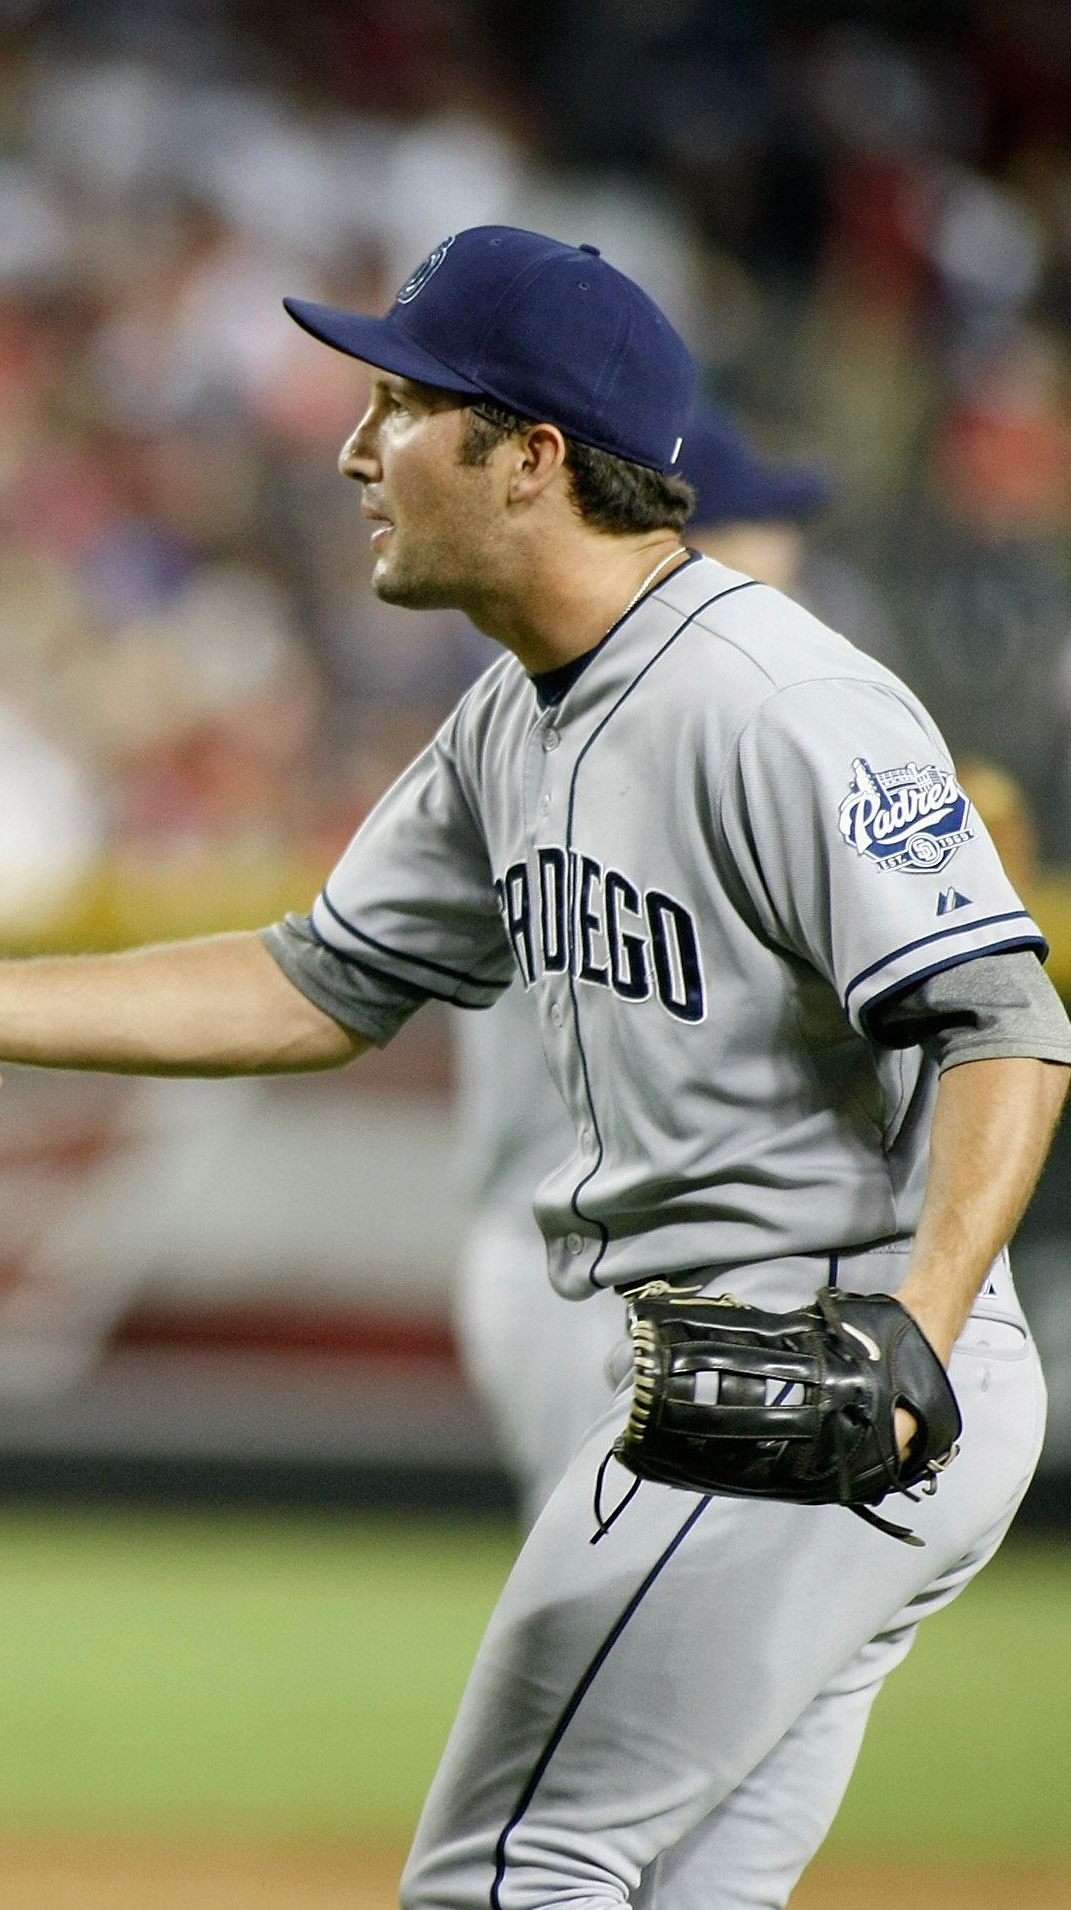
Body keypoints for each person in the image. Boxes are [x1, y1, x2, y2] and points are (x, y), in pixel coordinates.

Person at [0, 228, 1071, 1907]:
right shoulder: (512, 715)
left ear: (530, 456)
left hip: (823, 1362)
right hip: (779, 1366)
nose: (348, 450)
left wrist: (913, 1320)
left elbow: (1001, 1021)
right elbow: (310, 983)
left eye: (400, 404)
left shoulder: (773, 699)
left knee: (505, 1875)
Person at [450, 403, 834, 1524]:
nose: (791, 554)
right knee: (624, 1624)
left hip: (641, 1252)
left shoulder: (695, 711)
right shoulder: (598, 725)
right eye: (764, 521)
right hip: (585, 1261)